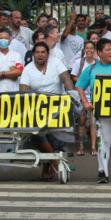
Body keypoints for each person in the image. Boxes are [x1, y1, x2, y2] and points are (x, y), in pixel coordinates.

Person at [75, 38, 111, 184]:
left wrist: (107, 78)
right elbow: (79, 86)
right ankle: (102, 172)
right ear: (99, 53)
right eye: (107, 49)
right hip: (100, 112)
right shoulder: (91, 69)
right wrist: (85, 102)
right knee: (104, 142)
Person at [20, 42, 74, 180]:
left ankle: (46, 168)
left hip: (57, 107)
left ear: (48, 54)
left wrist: (72, 95)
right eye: (37, 52)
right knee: (38, 136)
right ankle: (55, 165)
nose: (40, 55)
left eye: (43, 52)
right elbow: (23, 91)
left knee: (54, 138)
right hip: (36, 109)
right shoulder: (28, 69)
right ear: (33, 54)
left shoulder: (56, 63)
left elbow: (66, 79)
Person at [71, 40, 99, 156]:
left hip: (95, 96)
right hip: (82, 96)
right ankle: (81, 147)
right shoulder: (79, 62)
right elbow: (73, 77)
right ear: (84, 50)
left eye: (91, 48)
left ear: (95, 50)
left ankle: (93, 147)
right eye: (87, 48)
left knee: (93, 123)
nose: (89, 50)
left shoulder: (98, 63)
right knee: (82, 121)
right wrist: (85, 82)